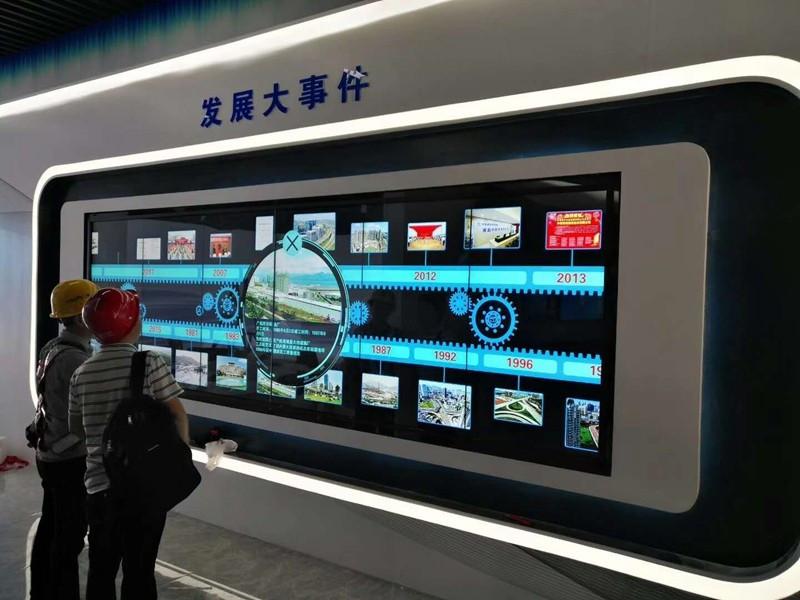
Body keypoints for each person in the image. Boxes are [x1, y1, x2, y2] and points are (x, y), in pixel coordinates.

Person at [69, 288, 189, 600]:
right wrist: (178, 460)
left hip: (99, 489)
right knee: (140, 571)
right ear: (131, 324)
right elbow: (177, 414)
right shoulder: (149, 362)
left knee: (101, 570)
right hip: (143, 489)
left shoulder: (81, 373)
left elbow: (76, 429)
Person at [30, 279, 97, 600]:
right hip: (69, 459)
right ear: (82, 317)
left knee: (51, 526)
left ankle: (42, 590)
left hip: (50, 452)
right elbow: (86, 417)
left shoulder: (52, 348)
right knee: (68, 537)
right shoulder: (75, 360)